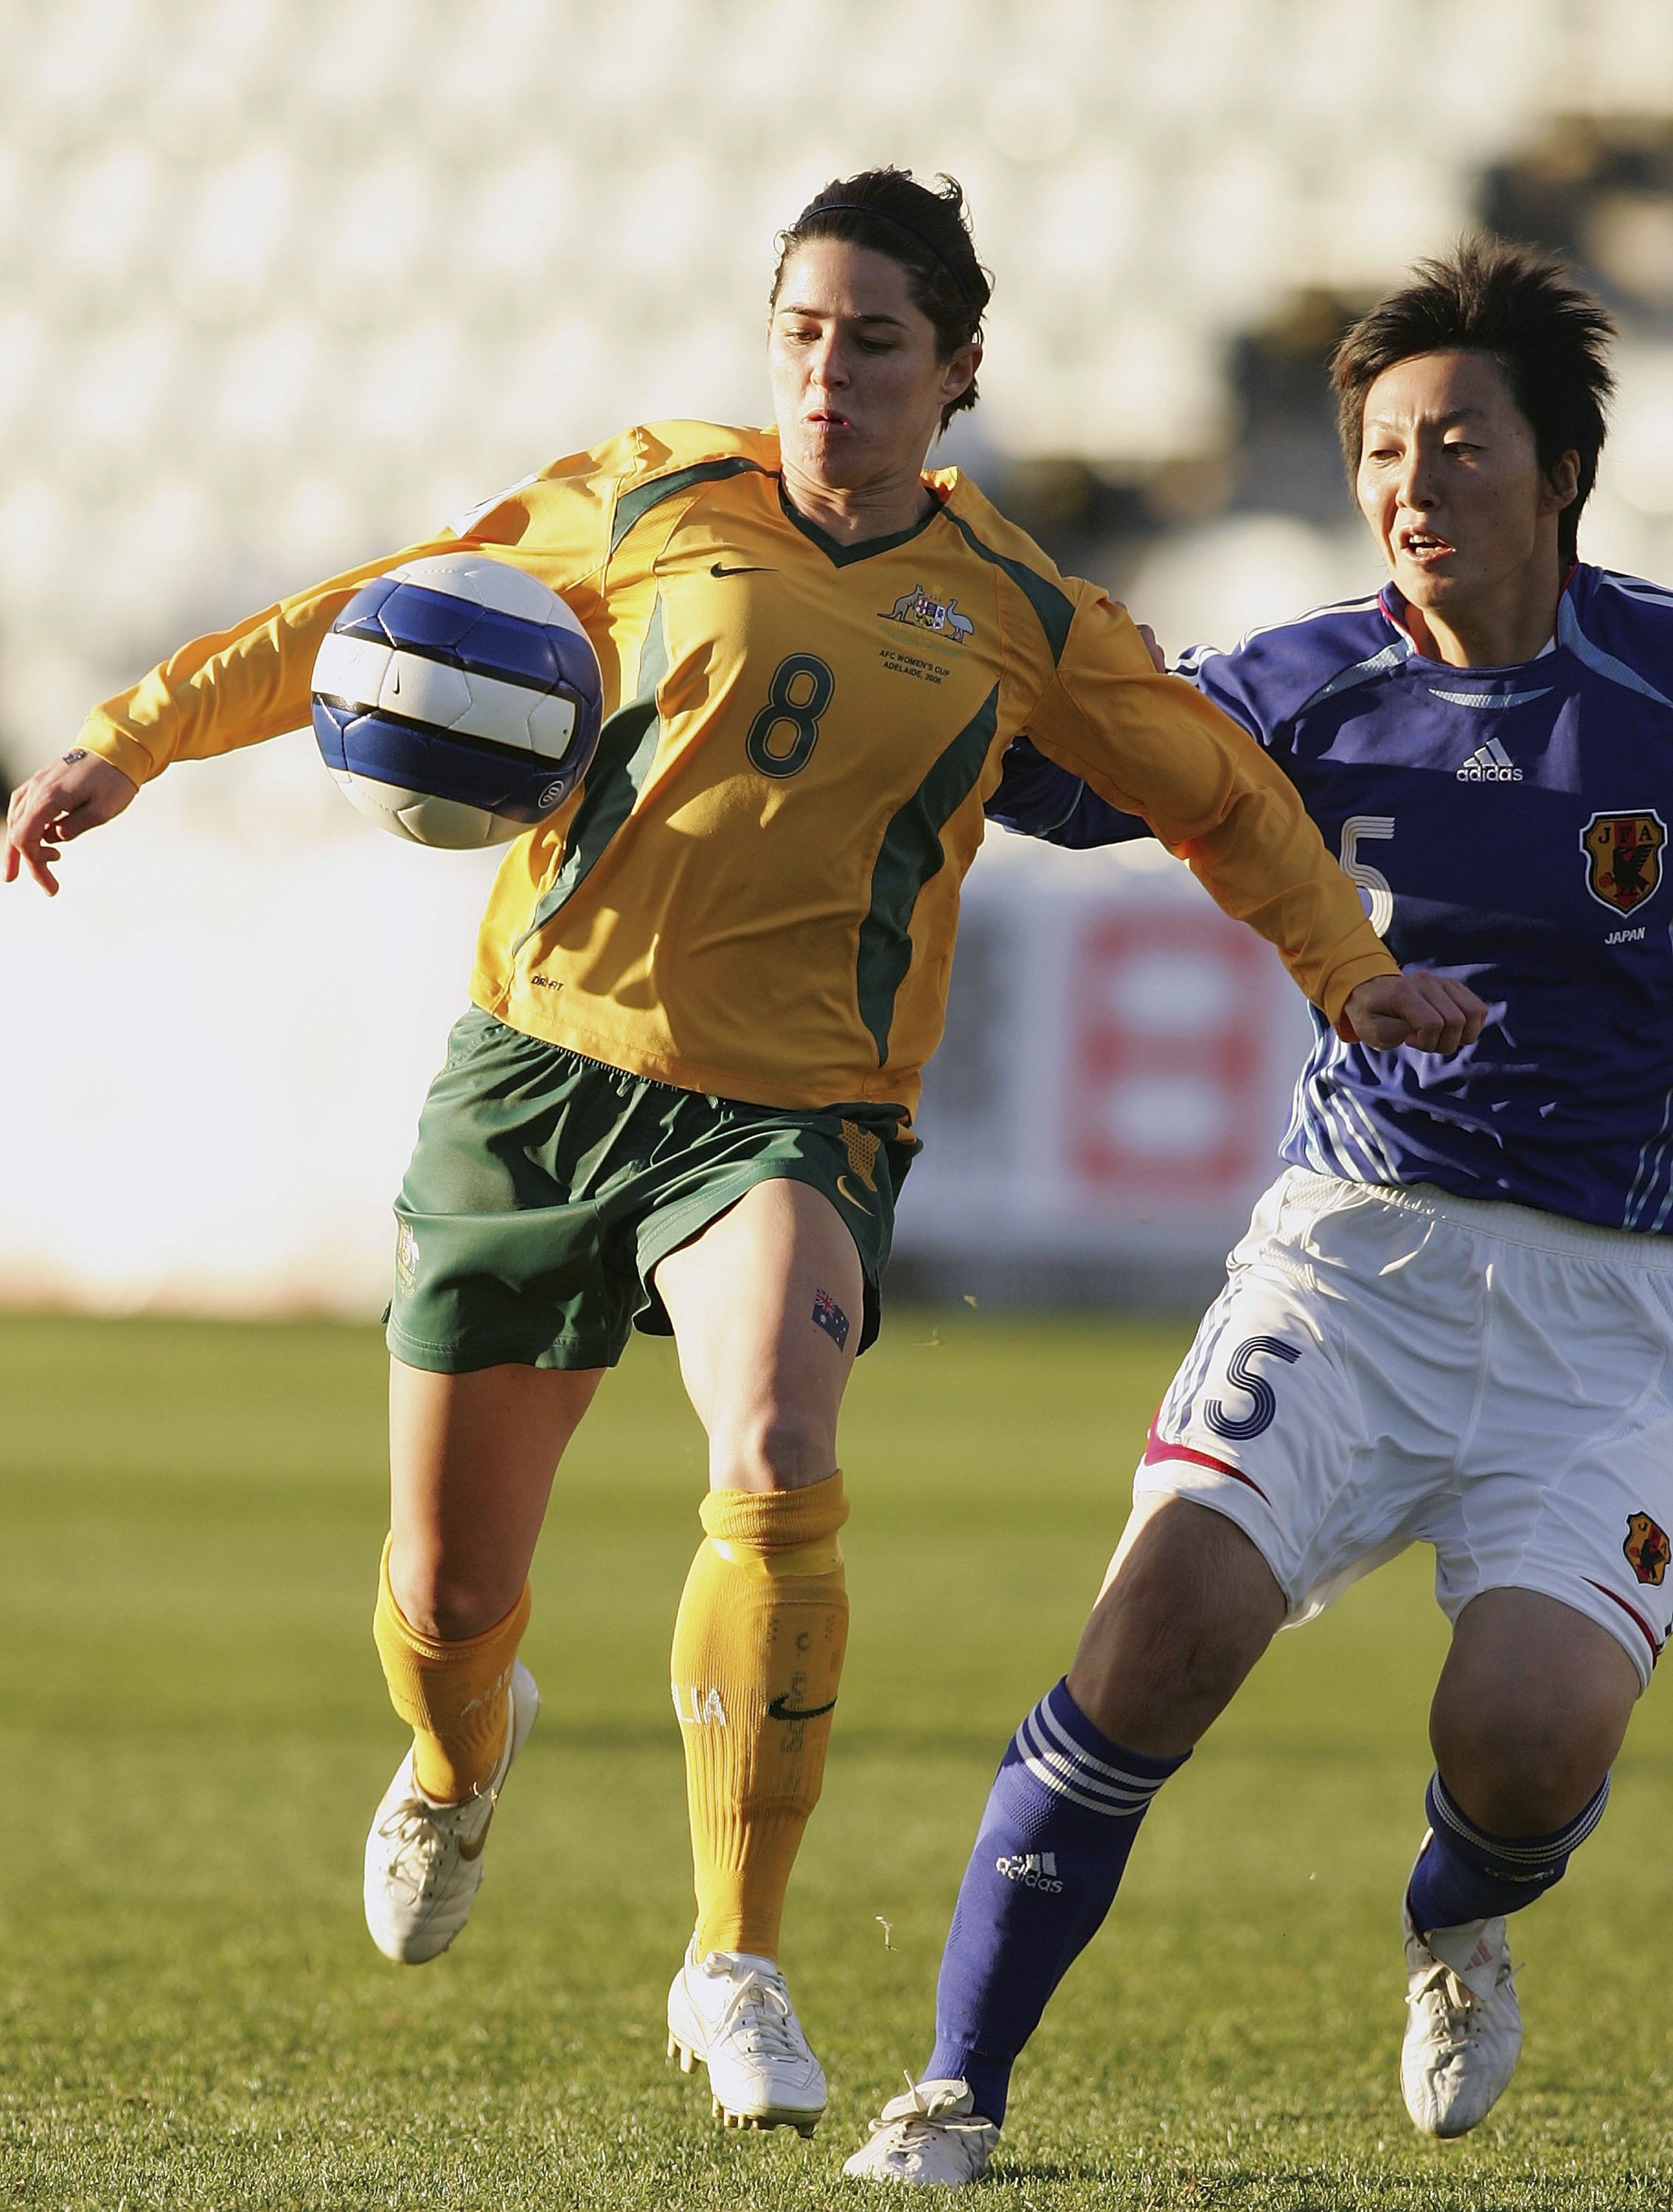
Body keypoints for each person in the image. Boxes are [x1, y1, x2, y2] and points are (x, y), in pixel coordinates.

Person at [3, 167, 1426, 2146]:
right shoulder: (653, 494)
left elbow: (1226, 799)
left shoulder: (1021, 611)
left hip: (796, 1113)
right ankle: (459, 1757)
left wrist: (1350, 971)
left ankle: (732, 1956)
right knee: (446, 1592)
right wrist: (136, 737)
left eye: (875, 342)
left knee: (773, 1450)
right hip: (536, 1080)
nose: (829, 375)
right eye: (803, 334)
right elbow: (379, 614)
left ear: (961, 371)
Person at [841, 234, 1673, 2187]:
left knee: (1530, 1740)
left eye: (1460, 445)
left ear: (1562, 471)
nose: (1413, 486)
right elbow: (1067, 781)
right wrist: (940, 652)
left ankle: (1455, 1910)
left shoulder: (1663, 684)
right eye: (1383, 451)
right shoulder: (1306, 683)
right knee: (1159, 1632)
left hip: (1617, 1315)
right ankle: (954, 2089)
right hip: (1359, 1261)